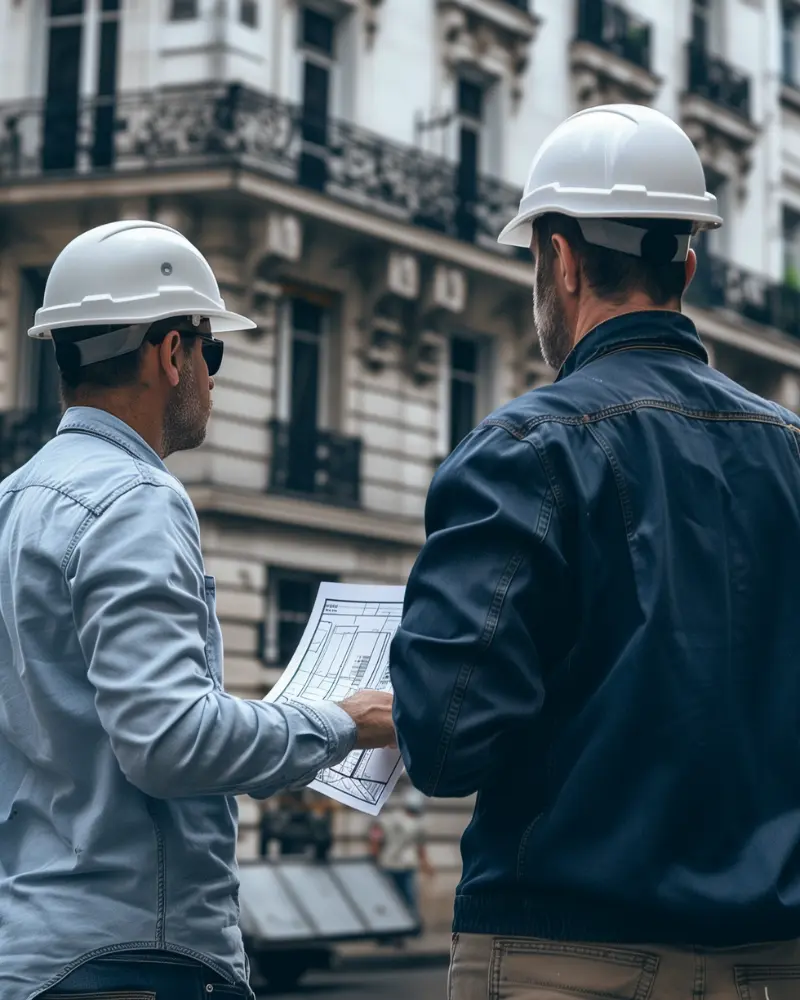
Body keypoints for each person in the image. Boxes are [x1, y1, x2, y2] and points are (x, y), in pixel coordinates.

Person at [390, 103, 800, 999]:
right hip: (775, 963)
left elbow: (447, 738)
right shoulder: (793, 450)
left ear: (561, 260)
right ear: (686, 262)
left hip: (563, 959)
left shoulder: (524, 451)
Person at [0, 220, 396, 1000]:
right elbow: (171, 743)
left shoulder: (12, 503)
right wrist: (344, 722)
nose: (214, 378)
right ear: (170, 353)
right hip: (135, 956)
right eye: (211, 351)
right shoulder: (137, 502)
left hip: (33, 952)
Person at [371, 787, 433, 923]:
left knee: (388, 897)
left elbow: (376, 838)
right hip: (406, 864)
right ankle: (409, 925)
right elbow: (420, 849)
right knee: (408, 898)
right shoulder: (418, 825)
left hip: (387, 862)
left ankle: (388, 925)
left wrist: (374, 857)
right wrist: (427, 865)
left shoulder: (388, 818)